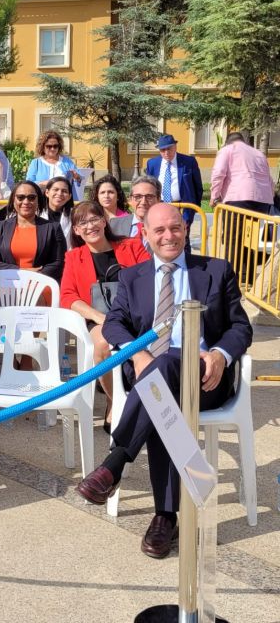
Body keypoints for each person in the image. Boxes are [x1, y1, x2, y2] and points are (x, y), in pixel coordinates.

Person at [76, 204, 251, 559]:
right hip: (149, 375)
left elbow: (240, 326)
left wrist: (219, 355)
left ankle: (115, 463)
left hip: (205, 380)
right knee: (162, 390)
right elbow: (114, 324)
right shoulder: (132, 277)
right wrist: (138, 355)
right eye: (159, 231)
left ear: (185, 231)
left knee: (167, 367)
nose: (168, 236)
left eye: (175, 228)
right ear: (146, 234)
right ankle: (165, 516)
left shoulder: (215, 270)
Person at [60, 202, 149, 431]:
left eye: (94, 219)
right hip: (98, 317)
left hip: (134, 314)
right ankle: (115, 399)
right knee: (102, 343)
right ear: (76, 230)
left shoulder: (131, 246)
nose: (90, 226)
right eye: (83, 223)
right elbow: (68, 296)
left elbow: (150, 279)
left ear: (104, 221)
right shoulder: (74, 257)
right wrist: (99, 317)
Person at [0, 181, 66, 282]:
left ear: (38, 201)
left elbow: (58, 263)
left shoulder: (53, 228)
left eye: (31, 197)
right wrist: (23, 272)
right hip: (5, 284)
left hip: (40, 284)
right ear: (13, 200)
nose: (26, 202)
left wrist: (36, 276)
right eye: (20, 197)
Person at [145, 134, 203, 229]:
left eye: (169, 148)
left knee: (183, 235)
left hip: (183, 207)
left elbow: (198, 187)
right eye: (163, 150)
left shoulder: (189, 162)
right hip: (160, 206)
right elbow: (148, 186)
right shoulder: (152, 164)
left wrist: (194, 207)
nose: (166, 152)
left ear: (175, 147)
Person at [210, 131, 274, 214]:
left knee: (234, 227)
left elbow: (218, 173)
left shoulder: (227, 150)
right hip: (263, 200)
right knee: (257, 227)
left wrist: (214, 196)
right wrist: (271, 196)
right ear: (243, 141)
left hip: (237, 198)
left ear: (227, 143)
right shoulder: (259, 154)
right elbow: (269, 180)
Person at [109, 176, 161, 245]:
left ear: (158, 199)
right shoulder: (115, 225)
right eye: (138, 197)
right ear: (130, 199)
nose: (143, 202)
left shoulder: (167, 227)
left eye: (149, 197)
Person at [39, 175, 74, 249]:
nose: (60, 193)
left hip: (66, 257)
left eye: (64, 191)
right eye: (55, 189)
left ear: (69, 196)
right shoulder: (36, 213)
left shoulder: (74, 215)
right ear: (47, 192)